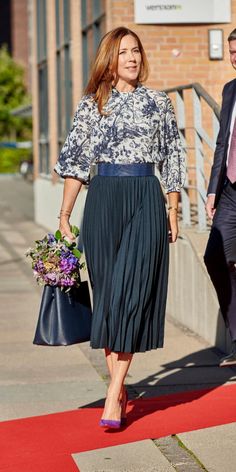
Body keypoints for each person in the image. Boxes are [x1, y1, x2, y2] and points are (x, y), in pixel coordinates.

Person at [55, 26, 185, 428]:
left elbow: (174, 157)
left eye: (136, 52)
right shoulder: (91, 105)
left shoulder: (158, 103)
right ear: (108, 59)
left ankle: (113, 393)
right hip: (104, 201)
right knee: (110, 299)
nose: (132, 58)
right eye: (124, 52)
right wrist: (64, 217)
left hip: (146, 198)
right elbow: (76, 165)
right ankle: (120, 385)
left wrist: (173, 209)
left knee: (132, 295)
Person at [204, 28, 236, 367]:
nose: (234, 58)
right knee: (215, 256)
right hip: (229, 191)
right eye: (232, 52)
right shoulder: (229, 90)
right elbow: (223, 142)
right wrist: (213, 187)